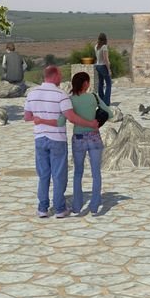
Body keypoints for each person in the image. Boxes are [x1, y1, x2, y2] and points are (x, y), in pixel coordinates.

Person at [23, 65, 97, 218]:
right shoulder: (61, 95)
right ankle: (59, 209)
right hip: (57, 139)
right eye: (60, 75)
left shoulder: (32, 93)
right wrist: (90, 124)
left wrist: (40, 119)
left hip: (39, 139)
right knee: (58, 175)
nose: (61, 77)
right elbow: (71, 117)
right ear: (55, 76)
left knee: (43, 175)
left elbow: (27, 117)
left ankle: (42, 208)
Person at [68, 72, 111, 216]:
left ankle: (77, 206)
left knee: (78, 173)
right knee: (96, 172)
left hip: (78, 138)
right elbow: (109, 113)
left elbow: (64, 118)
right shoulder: (94, 97)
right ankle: (94, 206)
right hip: (94, 137)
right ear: (85, 83)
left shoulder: (70, 100)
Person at [94, 33, 112, 107]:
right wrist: (109, 69)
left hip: (97, 66)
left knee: (100, 83)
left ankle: (101, 100)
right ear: (105, 39)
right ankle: (106, 102)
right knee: (109, 84)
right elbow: (105, 59)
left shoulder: (96, 46)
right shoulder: (104, 47)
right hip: (103, 66)